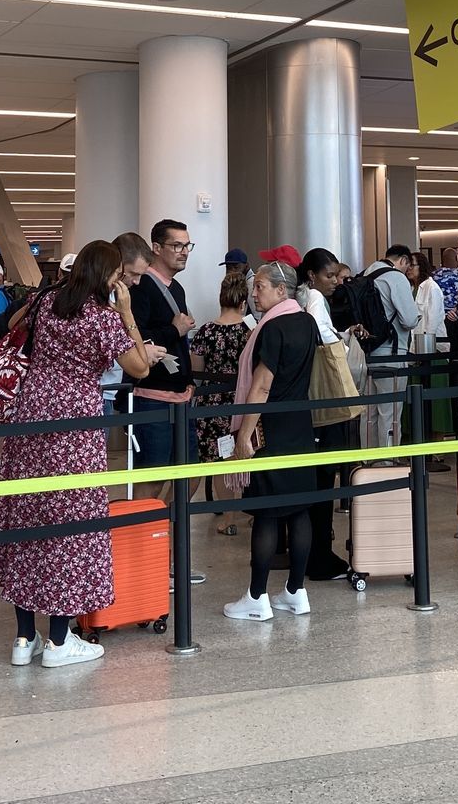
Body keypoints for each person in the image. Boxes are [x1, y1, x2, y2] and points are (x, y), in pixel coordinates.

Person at [0, 240, 158, 665]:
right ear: (108, 276)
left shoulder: (46, 301)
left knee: (27, 516)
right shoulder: (103, 317)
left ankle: (23, 638)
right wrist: (126, 313)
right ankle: (60, 640)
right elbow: (140, 367)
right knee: (71, 524)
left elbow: (9, 324)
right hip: (75, 425)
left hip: (31, 414)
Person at [223, 260, 325, 621]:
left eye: (260, 286)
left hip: (270, 428)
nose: (254, 293)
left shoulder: (271, 328)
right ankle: (296, 591)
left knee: (267, 511)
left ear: (282, 290)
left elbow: (262, 386)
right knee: (298, 509)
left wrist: (244, 436)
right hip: (299, 424)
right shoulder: (306, 322)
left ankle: (256, 596)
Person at [296, 247, 353, 580]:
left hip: (303, 404)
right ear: (312, 275)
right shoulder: (316, 298)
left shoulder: (302, 296)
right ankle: (320, 555)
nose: (335, 281)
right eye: (329, 275)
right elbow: (321, 335)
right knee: (324, 478)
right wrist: (342, 344)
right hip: (323, 403)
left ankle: (309, 552)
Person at [129, 220, 197, 499]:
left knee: (190, 474)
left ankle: (167, 524)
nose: (184, 252)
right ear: (156, 248)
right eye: (177, 245)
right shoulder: (141, 286)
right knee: (153, 476)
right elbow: (133, 337)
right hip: (152, 395)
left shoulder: (177, 288)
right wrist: (173, 330)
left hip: (181, 395)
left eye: (187, 245)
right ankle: (146, 526)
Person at [191, 270, 252, 532]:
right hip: (243, 400)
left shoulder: (205, 331)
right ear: (244, 302)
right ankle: (254, 512)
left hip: (212, 403)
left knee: (219, 460)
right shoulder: (251, 330)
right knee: (246, 456)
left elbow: (196, 372)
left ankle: (228, 519)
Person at [360, 244, 420, 450]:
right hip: (392, 354)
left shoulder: (366, 274)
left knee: (369, 412)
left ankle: (367, 459)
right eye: (407, 265)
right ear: (403, 260)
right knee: (390, 412)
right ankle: (388, 461)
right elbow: (409, 320)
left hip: (367, 353)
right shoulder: (396, 278)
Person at [409, 254, 445, 356]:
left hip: (432, 346)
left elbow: (433, 322)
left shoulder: (432, 287)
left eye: (412, 265)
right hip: (415, 344)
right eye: (408, 265)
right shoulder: (411, 288)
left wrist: (426, 345)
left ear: (421, 266)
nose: (409, 269)